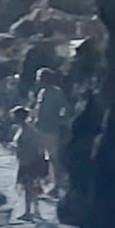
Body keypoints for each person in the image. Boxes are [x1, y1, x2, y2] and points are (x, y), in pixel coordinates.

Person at [29, 66, 72, 195]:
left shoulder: (57, 92)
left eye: (40, 78)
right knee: (38, 157)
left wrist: (61, 121)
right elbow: (38, 108)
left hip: (51, 129)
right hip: (39, 128)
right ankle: (40, 184)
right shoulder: (42, 92)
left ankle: (56, 185)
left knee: (54, 159)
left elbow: (66, 108)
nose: (38, 80)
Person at [13, 105, 50, 217]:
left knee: (29, 187)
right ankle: (35, 210)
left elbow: (30, 145)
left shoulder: (26, 130)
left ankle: (29, 211)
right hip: (29, 159)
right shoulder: (29, 128)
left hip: (28, 161)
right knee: (32, 186)